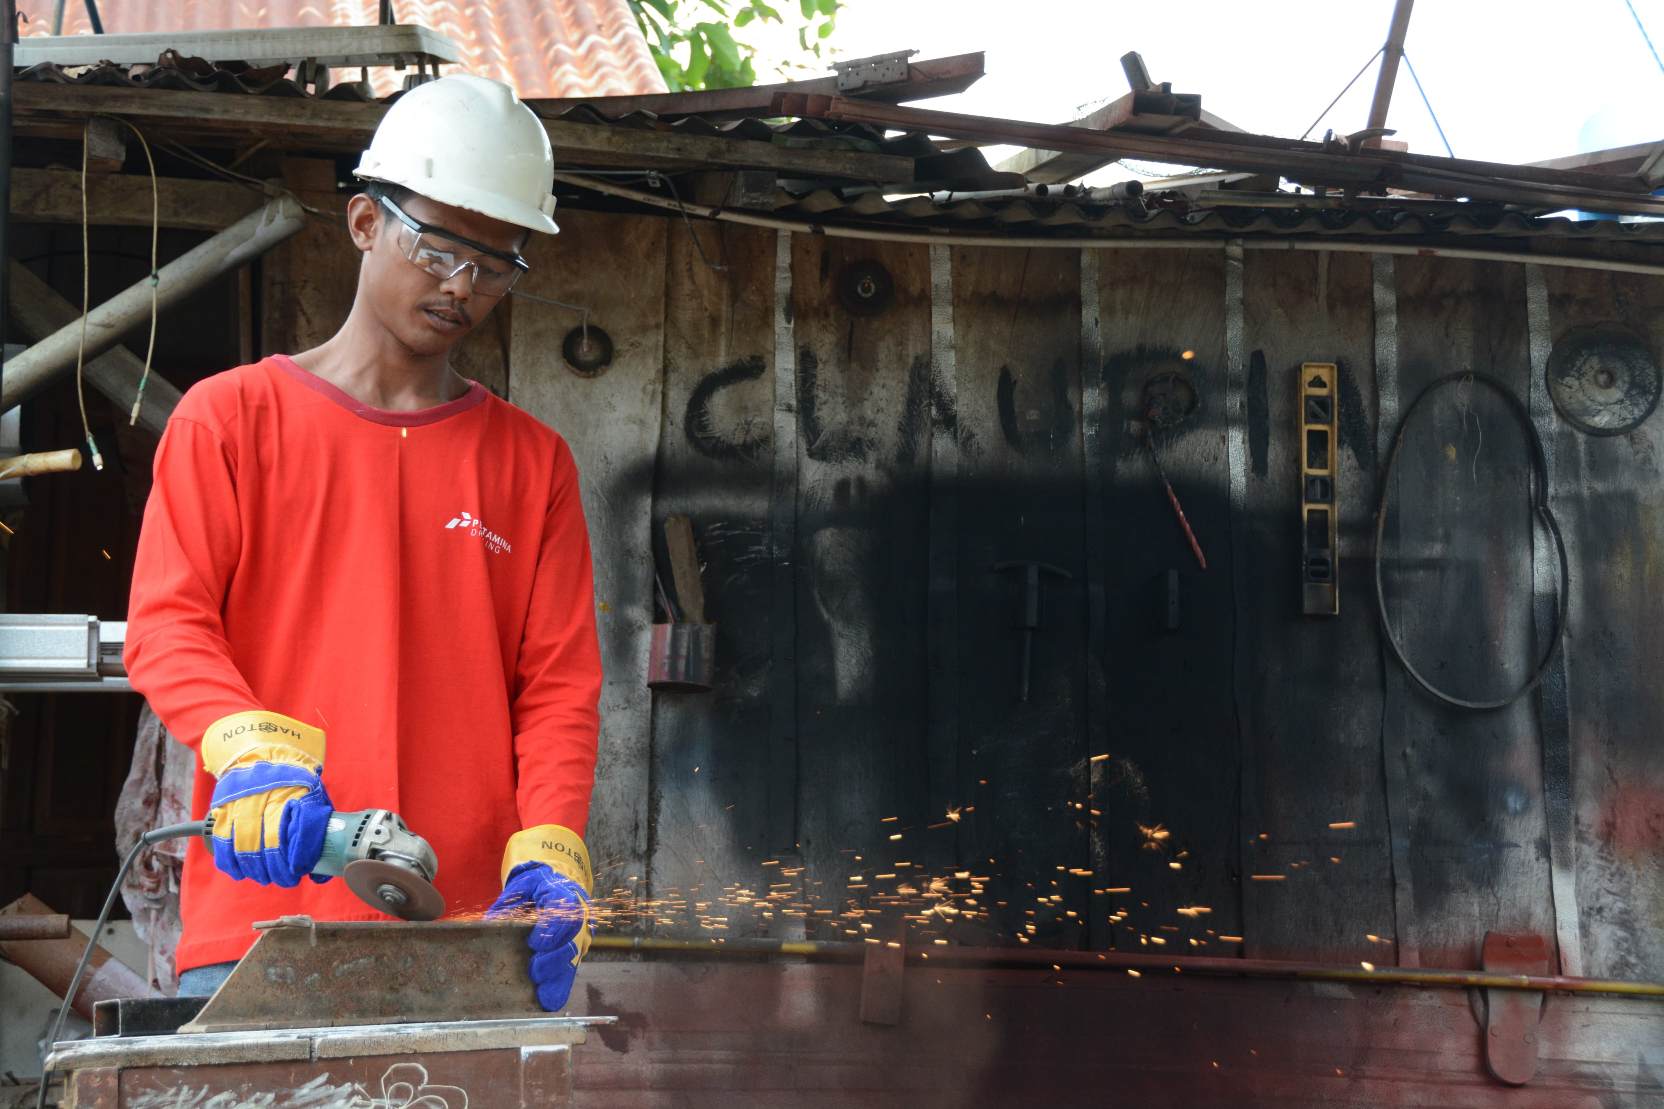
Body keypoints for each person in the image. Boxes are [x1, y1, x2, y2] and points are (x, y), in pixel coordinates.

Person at [123, 74, 602, 1012]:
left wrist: (550, 849)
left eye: (496, 263)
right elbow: (169, 627)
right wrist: (256, 754)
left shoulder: (532, 463)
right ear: (362, 222)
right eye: (437, 247)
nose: (461, 286)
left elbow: (558, 689)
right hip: (266, 917)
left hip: (468, 933)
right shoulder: (230, 418)